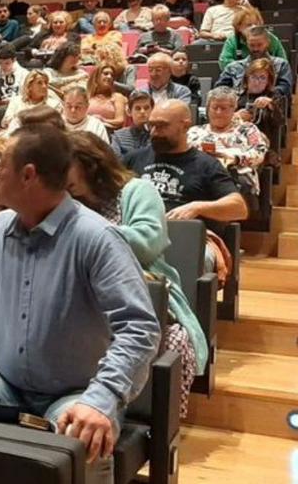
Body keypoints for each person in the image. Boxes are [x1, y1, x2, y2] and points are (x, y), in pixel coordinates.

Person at [0, 125, 160, 482]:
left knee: (84, 433)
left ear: (28, 175)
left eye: (2, 166)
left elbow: (140, 327)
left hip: (76, 391)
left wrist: (103, 397)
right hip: (7, 385)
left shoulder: (95, 237)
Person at [65, 131, 209, 418]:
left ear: (90, 165)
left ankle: (158, 428)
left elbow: (147, 243)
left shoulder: (136, 191)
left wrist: (87, 235)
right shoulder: (66, 201)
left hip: (141, 290)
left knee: (174, 340)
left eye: (65, 166)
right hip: (82, 297)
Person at [123, 100, 248, 226]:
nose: (154, 132)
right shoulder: (133, 158)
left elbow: (239, 208)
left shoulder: (206, 165)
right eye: (151, 125)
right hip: (138, 231)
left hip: (187, 234)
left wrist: (196, 208)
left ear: (185, 126)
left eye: (162, 126)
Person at [186, 87, 269, 201]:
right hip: (197, 177)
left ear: (233, 109)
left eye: (223, 108)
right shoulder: (193, 132)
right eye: (215, 108)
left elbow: (259, 152)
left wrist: (234, 159)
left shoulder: (247, 129)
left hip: (235, 178)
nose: (218, 112)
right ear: (207, 109)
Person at [215, 25, 295, 96]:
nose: (255, 49)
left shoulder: (281, 64)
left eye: (259, 45)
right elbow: (219, 89)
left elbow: (285, 88)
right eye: (252, 45)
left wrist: (269, 96)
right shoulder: (233, 67)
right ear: (247, 43)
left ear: (267, 43)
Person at [235, 58, 286, 158]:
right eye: (254, 77)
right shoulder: (236, 96)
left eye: (262, 78)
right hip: (235, 144)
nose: (257, 82)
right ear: (247, 78)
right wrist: (235, 116)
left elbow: (281, 123)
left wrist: (271, 105)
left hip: (262, 148)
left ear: (268, 81)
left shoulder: (274, 98)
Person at [219, 7, 288, 71]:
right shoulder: (232, 41)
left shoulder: (271, 38)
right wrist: (249, 70)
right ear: (238, 27)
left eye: (256, 24)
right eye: (249, 25)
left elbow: (283, 62)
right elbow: (224, 62)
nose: (254, 27)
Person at [112, 91, 154, 158]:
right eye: (138, 108)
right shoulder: (118, 136)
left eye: (146, 108)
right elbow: (115, 162)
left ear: (152, 110)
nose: (142, 111)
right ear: (129, 112)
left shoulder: (158, 135)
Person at [86, 65, 128, 131]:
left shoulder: (117, 97)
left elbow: (120, 120)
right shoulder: (87, 96)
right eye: (105, 74)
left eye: (112, 75)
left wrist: (103, 120)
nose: (109, 77)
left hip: (109, 132)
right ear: (96, 77)